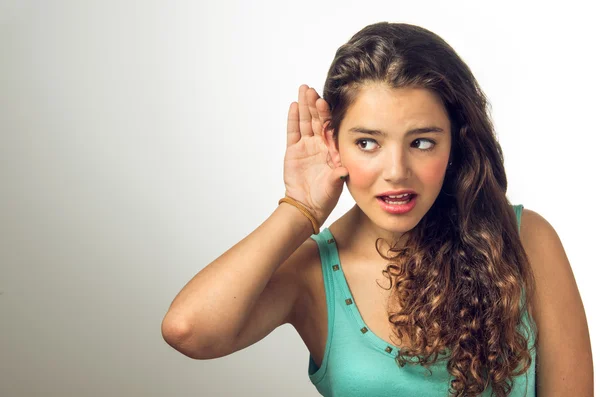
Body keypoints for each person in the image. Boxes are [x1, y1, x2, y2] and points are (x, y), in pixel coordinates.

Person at [161, 22, 593, 396]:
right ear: (333, 141)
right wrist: (300, 208)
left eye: (421, 142)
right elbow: (189, 331)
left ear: (454, 142)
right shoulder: (314, 271)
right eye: (367, 143)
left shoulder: (525, 240)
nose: (396, 171)